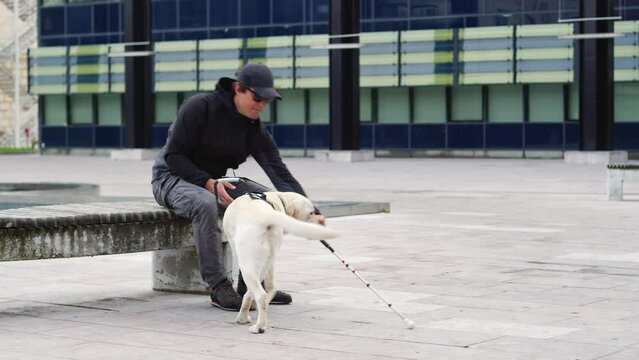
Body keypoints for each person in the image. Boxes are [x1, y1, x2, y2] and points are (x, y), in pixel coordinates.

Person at [151, 63, 323, 311]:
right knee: (204, 202)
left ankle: (251, 285)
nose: (261, 105)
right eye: (257, 97)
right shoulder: (199, 107)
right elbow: (174, 156)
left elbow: (278, 171)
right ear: (238, 89)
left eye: (267, 100)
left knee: (267, 201)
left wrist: (312, 212)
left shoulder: (253, 129)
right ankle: (219, 286)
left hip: (214, 182)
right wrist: (207, 183)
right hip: (171, 178)